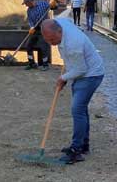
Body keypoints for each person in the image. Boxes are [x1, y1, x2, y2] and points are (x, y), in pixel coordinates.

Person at [41, 18, 104, 164]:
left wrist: (63, 78)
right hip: (80, 71)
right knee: (81, 110)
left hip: (91, 74)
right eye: (47, 40)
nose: (51, 43)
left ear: (60, 31)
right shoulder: (60, 22)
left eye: (52, 39)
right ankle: (83, 145)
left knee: (77, 109)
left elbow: (81, 70)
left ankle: (76, 151)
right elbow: (65, 19)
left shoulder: (73, 44)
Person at [23, 0, 50, 71]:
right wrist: (31, 27)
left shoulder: (43, 4)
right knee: (28, 45)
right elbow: (30, 20)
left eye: (26, 3)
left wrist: (54, 5)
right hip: (35, 29)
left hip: (44, 28)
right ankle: (32, 63)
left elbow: (51, 6)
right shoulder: (29, 10)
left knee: (43, 46)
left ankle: (45, 64)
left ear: (30, 1)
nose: (25, 5)